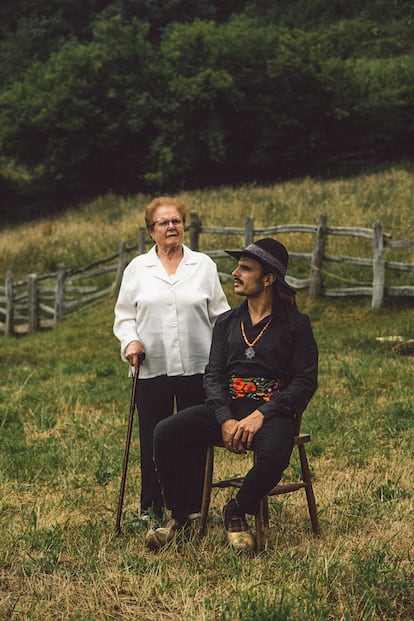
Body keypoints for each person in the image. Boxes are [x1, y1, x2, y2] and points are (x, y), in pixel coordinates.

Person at [144, 238, 318, 551]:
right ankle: (181, 516)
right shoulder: (226, 323)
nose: (235, 273)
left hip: (273, 414)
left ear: (268, 279)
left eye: (246, 268)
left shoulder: (295, 325)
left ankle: (236, 511)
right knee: (166, 432)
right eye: (237, 266)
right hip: (227, 410)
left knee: (277, 450)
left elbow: (305, 381)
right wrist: (224, 418)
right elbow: (213, 375)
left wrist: (261, 414)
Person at [113, 196, 229, 521]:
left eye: (176, 221)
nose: (171, 227)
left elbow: (221, 315)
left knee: (193, 436)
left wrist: (229, 354)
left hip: (198, 367)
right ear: (151, 231)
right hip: (151, 369)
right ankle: (152, 507)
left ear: (184, 225)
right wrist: (130, 341)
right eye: (163, 223)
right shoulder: (137, 269)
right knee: (152, 437)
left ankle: (192, 507)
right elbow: (124, 317)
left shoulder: (203, 265)